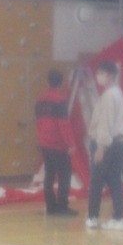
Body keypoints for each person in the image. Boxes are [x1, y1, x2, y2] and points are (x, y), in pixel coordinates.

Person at [85, 60, 123, 231]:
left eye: (101, 73)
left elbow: (105, 123)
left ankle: (92, 217)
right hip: (119, 142)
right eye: (98, 73)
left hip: (107, 143)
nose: (98, 77)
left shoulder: (109, 96)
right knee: (115, 180)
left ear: (110, 76)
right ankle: (118, 218)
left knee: (96, 181)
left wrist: (101, 147)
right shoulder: (117, 92)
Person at [35, 69, 78, 217]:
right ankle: (62, 207)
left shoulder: (40, 101)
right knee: (64, 176)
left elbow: (38, 123)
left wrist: (42, 139)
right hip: (59, 145)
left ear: (48, 82)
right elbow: (63, 125)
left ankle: (50, 206)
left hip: (45, 144)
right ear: (61, 83)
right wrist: (71, 144)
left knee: (49, 175)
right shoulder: (60, 100)